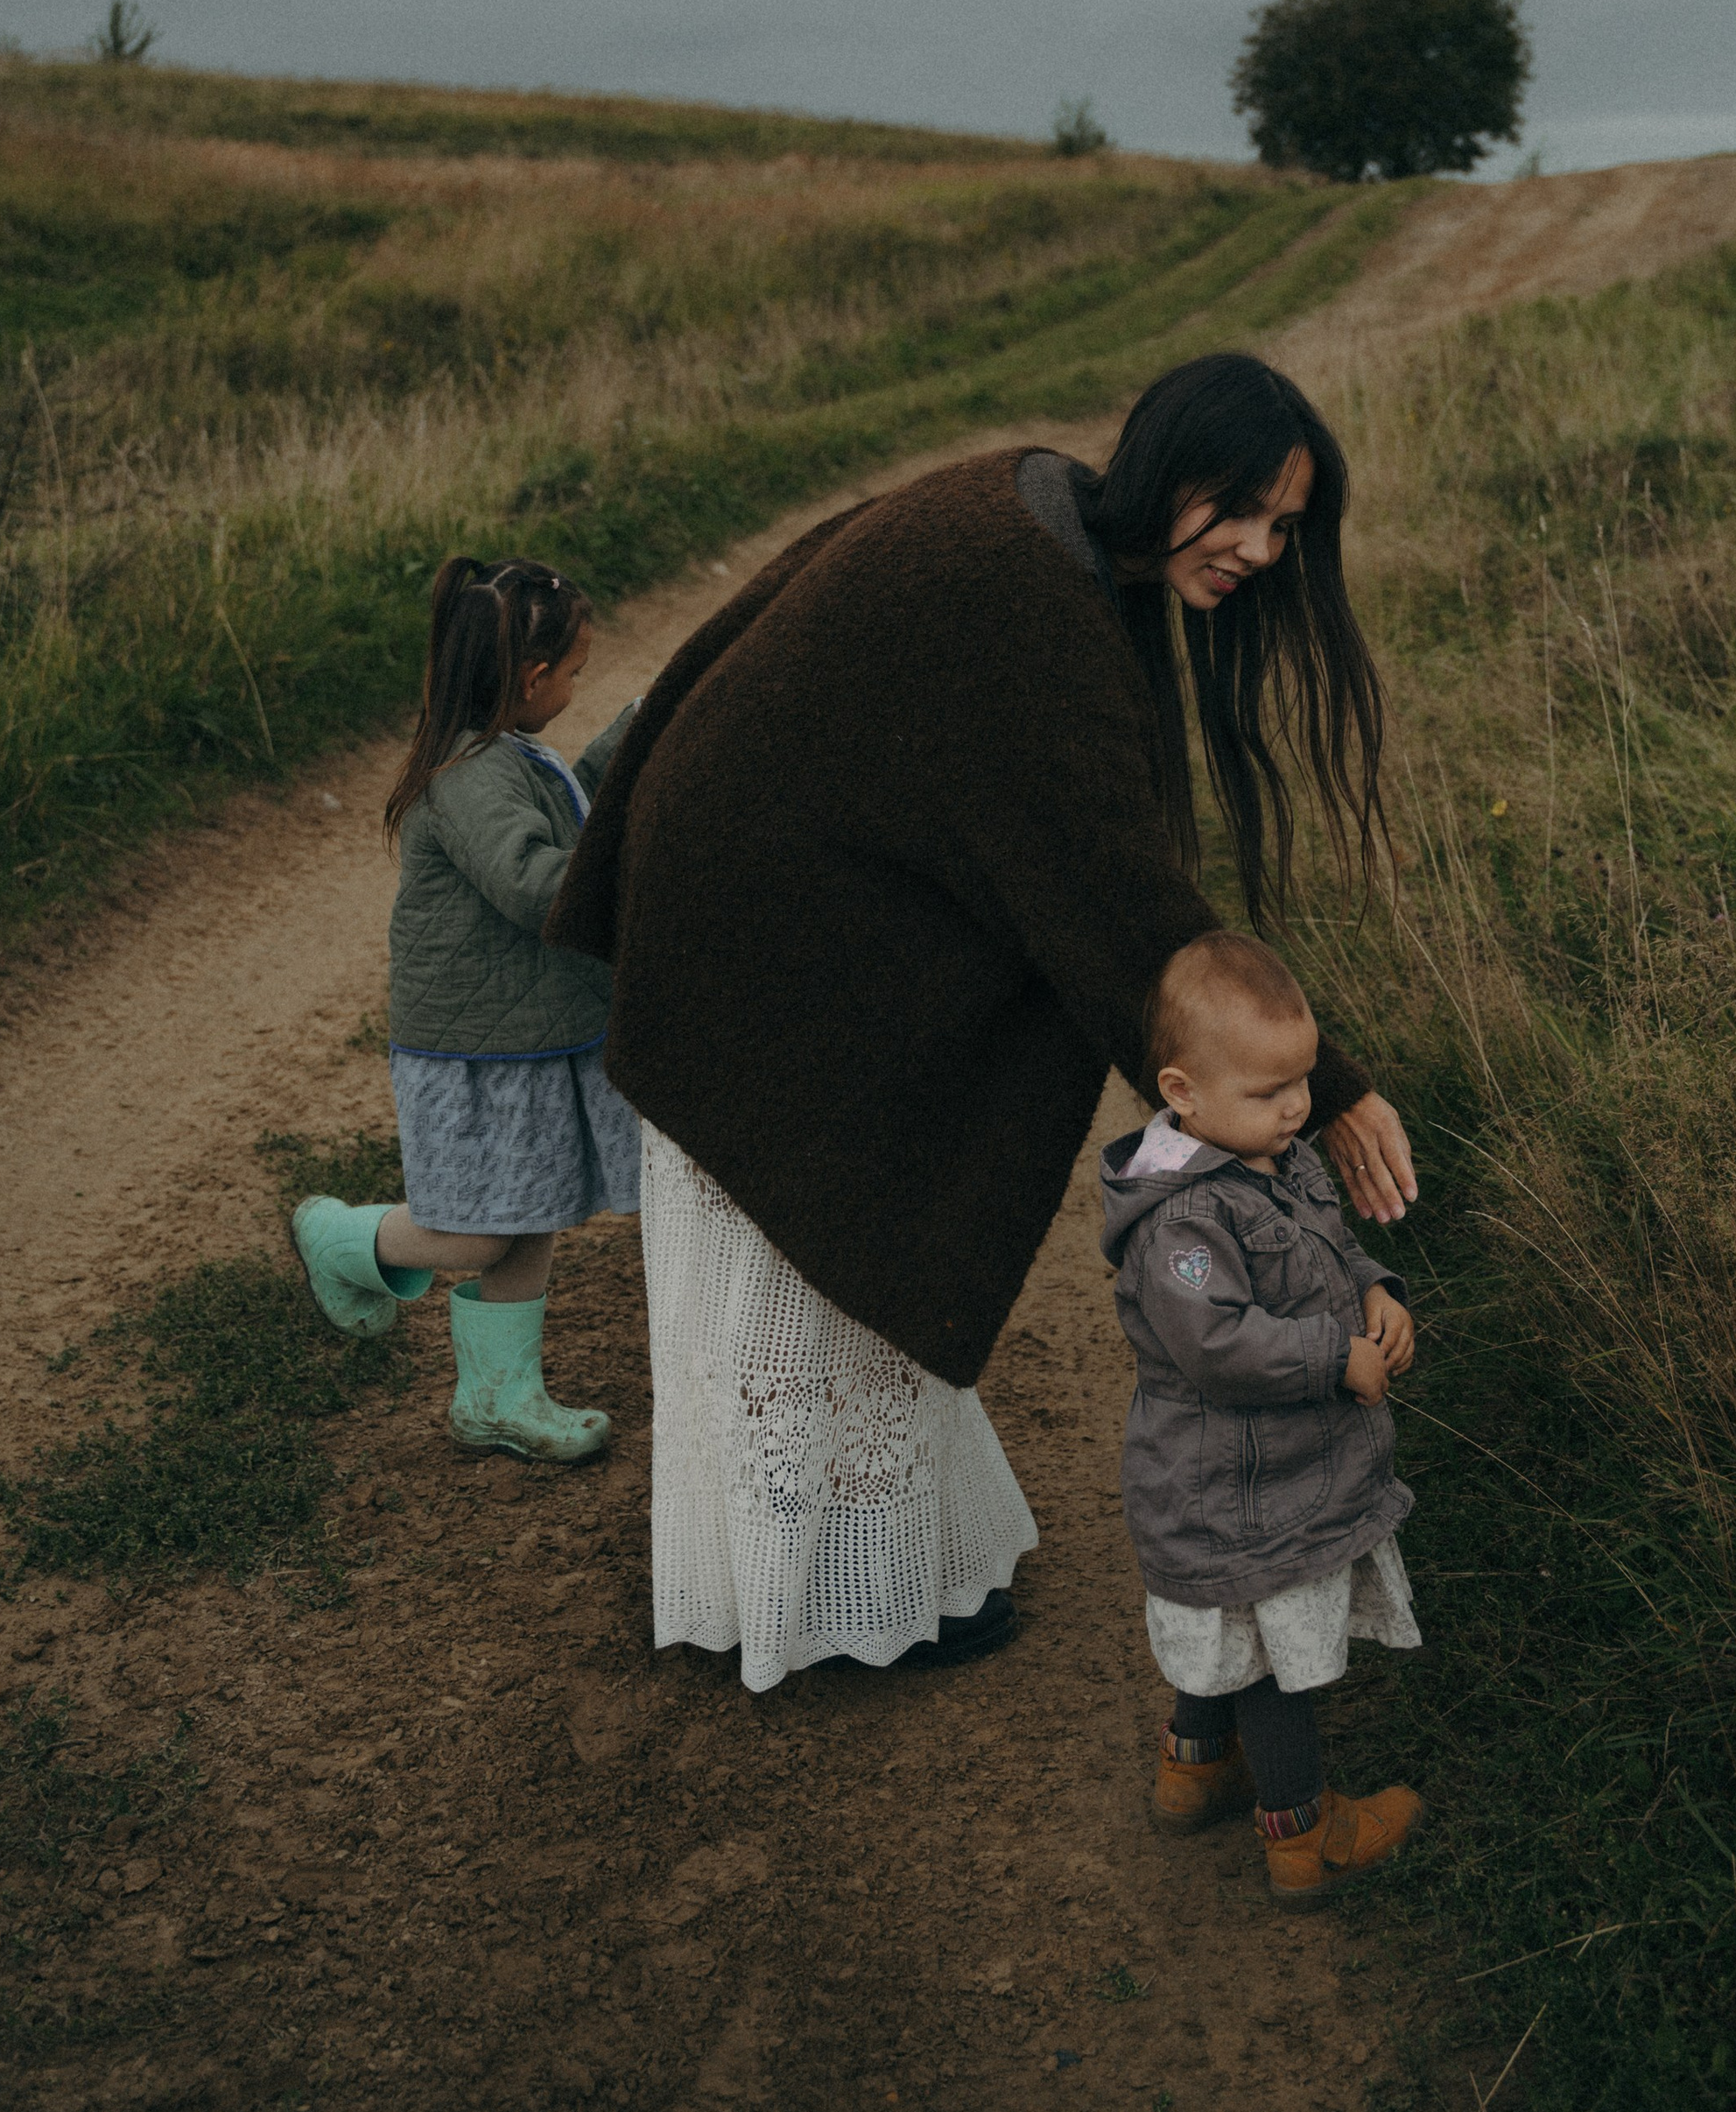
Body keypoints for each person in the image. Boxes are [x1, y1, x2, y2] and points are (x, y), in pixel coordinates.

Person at [546, 348, 1420, 1691]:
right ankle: (821, 1608)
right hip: (760, 924)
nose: (1257, 547)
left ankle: (885, 1572)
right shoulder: (1033, 596)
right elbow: (1117, 906)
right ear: (1161, 463)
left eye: (1286, 526)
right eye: (1238, 506)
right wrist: (1335, 1086)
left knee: (831, 1271)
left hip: (784, 887)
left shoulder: (1053, 515)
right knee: (806, 1269)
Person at [291, 554, 642, 1464]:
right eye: (571, 674)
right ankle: (346, 1235)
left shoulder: (507, 751)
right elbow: (535, 882)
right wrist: (634, 872)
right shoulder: (473, 773)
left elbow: (572, 815)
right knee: (483, 1229)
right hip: (477, 1053)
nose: (574, 687)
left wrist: (639, 736)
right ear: (529, 679)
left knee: (534, 1211)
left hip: (523, 1037)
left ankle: (499, 1396)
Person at [1100, 931, 1422, 1909]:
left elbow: (1323, 1248)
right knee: (1271, 1661)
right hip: (1235, 1490)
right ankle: (1303, 1834)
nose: (1294, 1107)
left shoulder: (1266, 1150)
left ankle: (1193, 1765)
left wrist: (1374, 1290)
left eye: (1303, 1080)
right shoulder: (1183, 1222)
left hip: (1256, 1486)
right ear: (1181, 1089)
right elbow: (1217, 1343)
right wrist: (1335, 1358)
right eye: (1267, 1090)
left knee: (1225, 1629)